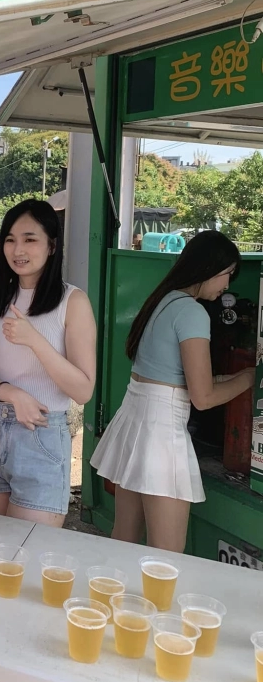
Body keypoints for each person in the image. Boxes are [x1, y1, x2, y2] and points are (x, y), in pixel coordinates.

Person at [0, 198, 96, 682]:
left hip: (44, 437)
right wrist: (8, 392)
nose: (18, 251)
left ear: (51, 246)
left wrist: (35, 341)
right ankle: (10, 676)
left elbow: (84, 388)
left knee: (37, 576)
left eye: (31, 240)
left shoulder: (72, 302)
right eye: (11, 240)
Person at [91, 230, 254, 553]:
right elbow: (203, 397)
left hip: (134, 424)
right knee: (166, 558)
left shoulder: (164, 300)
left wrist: (228, 378)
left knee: (123, 541)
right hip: (161, 436)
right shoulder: (192, 312)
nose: (227, 286)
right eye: (227, 275)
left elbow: (177, 378)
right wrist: (250, 378)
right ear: (208, 268)